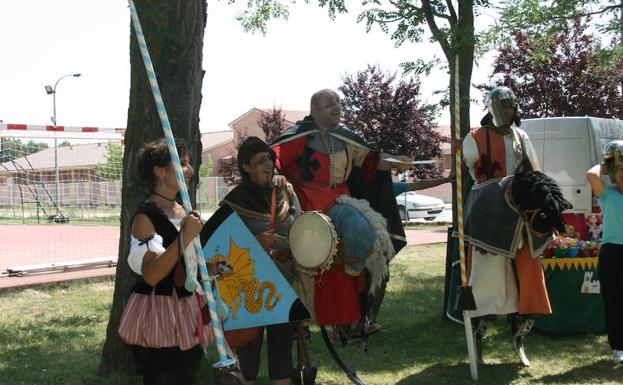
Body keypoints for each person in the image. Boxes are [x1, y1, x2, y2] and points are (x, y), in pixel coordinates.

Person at [270, 89, 410, 336]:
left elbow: (371, 161)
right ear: (314, 110)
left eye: (337, 102)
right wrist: (276, 173)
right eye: (329, 103)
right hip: (305, 201)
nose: (336, 107)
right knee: (300, 257)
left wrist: (397, 162)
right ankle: (296, 321)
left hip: (339, 200)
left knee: (362, 233)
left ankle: (352, 282)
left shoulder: (346, 138)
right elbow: (275, 156)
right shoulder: (299, 135)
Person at [461, 86, 551, 363]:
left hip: (518, 213)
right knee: (488, 275)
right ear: (491, 107)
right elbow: (471, 166)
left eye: (511, 106)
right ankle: (481, 326)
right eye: (503, 105)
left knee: (528, 270)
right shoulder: (475, 137)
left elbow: (534, 172)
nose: (508, 110)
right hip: (488, 211)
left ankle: (521, 326)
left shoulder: (521, 136)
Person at [118, 138, 213, 385]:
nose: (190, 170)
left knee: (187, 377)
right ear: (159, 171)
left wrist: (208, 269)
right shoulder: (145, 217)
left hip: (186, 311)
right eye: (181, 163)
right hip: (158, 315)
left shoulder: (184, 211)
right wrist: (184, 237)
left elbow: (184, 264)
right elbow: (151, 275)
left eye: (189, 163)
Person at [219, 136, 306, 385]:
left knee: (281, 354)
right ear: (245, 167)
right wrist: (255, 243)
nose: (268, 164)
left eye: (269, 158)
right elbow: (222, 254)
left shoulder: (286, 191)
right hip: (250, 288)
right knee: (249, 357)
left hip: (284, 283)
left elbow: (301, 229)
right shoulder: (233, 203)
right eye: (259, 161)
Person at [586, 140, 623, 364]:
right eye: (620, 169)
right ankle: (619, 347)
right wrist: (607, 162)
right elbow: (590, 176)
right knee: (615, 301)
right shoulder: (607, 194)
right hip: (613, 255)